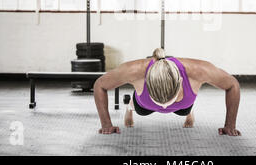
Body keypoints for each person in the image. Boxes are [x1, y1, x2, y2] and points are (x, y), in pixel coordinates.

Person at [94, 48, 241, 136]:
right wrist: (106, 124)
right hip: (144, 105)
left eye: (169, 100)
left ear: (181, 82)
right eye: (158, 101)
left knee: (184, 110)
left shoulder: (198, 71)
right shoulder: (135, 71)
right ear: (147, 81)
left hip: (183, 104)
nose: (163, 107)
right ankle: (130, 106)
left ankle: (188, 108)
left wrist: (230, 125)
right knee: (141, 111)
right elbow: (100, 85)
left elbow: (232, 85)